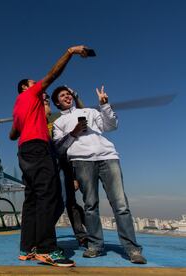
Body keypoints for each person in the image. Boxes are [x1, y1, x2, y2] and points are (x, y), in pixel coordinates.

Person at [9, 45, 90, 267]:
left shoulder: (19, 107)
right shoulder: (30, 93)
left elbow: (12, 134)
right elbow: (54, 74)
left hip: (24, 151)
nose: (40, 86)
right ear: (26, 87)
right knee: (49, 195)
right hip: (38, 148)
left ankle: (27, 248)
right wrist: (70, 52)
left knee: (32, 199)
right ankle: (47, 249)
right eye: (34, 83)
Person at [51, 85, 147, 264]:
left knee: (120, 205)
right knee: (90, 205)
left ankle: (132, 249)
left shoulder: (89, 111)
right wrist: (74, 133)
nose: (67, 96)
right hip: (81, 162)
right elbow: (58, 148)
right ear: (57, 102)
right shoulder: (58, 123)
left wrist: (105, 105)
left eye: (69, 94)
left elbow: (111, 126)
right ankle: (95, 246)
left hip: (108, 158)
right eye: (63, 95)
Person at [43, 90, 88, 247]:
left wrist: (74, 176)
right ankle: (44, 235)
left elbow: (83, 113)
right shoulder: (34, 121)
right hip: (46, 167)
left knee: (70, 202)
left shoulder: (57, 118)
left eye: (47, 101)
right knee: (54, 202)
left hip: (63, 164)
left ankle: (82, 236)